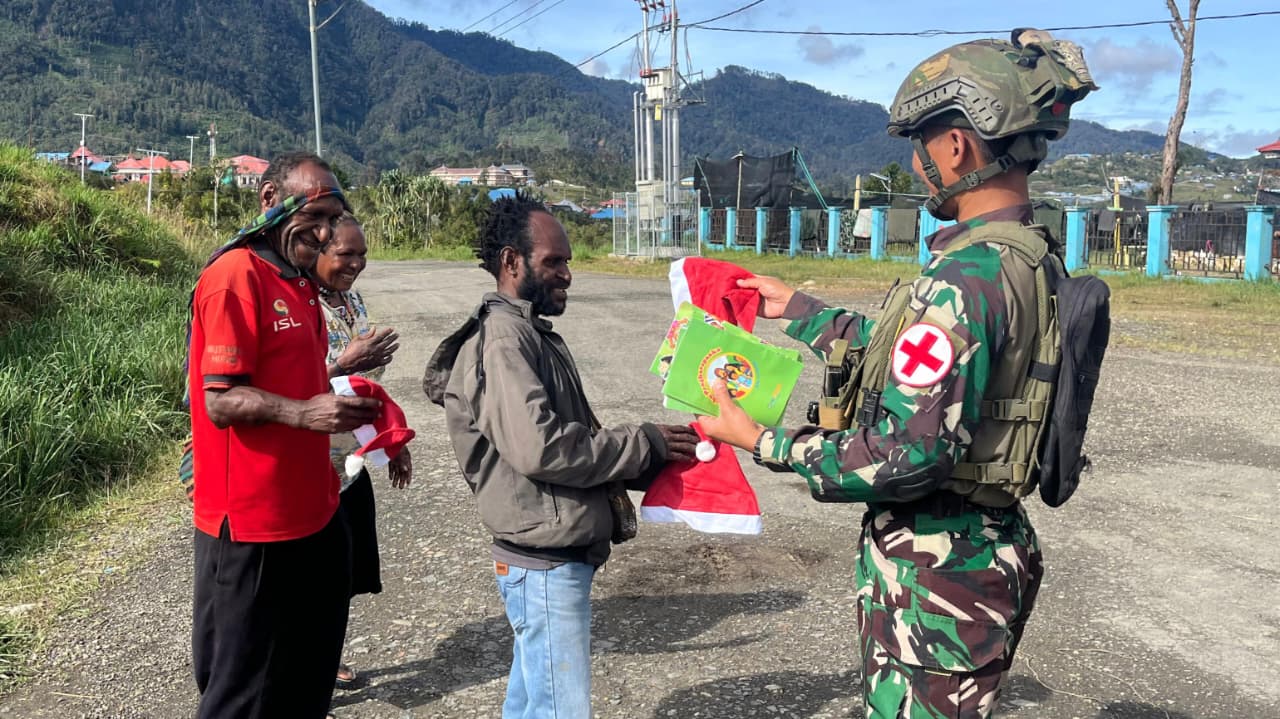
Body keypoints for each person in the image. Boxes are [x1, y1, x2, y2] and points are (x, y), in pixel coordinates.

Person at [698, 30, 1096, 719]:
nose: (916, 162)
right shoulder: (1025, 257)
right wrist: (801, 312)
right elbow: (909, 361)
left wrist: (765, 441)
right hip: (980, 555)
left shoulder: (965, 279)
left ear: (957, 146)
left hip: (938, 579)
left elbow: (903, 454)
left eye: (921, 143)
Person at [423, 193, 699, 719]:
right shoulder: (506, 340)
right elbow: (543, 448)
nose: (567, 274)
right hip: (544, 564)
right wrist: (644, 442)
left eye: (568, 261)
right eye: (554, 262)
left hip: (546, 557)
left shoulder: (527, 332)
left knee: (532, 701)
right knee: (558, 709)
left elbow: (568, 440)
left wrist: (655, 459)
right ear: (511, 262)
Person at [188, 151, 381, 719]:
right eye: (313, 214)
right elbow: (219, 399)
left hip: (315, 512)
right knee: (243, 691)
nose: (324, 231)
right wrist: (305, 414)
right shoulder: (234, 278)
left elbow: (299, 379)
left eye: (333, 216)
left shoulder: (299, 283)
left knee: (307, 675)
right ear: (269, 200)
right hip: (252, 525)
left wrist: (345, 400)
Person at [312, 212, 412, 691]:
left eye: (362, 255)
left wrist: (389, 443)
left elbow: (366, 385)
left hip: (349, 458)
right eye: (345, 254)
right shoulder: (300, 303)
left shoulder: (351, 301)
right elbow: (291, 383)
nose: (356, 264)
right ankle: (303, 674)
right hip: (307, 458)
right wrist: (340, 362)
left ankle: (325, 658)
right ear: (317, 250)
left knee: (344, 568)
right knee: (310, 572)